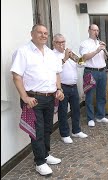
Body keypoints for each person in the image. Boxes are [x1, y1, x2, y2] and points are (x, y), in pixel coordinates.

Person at [10, 24, 64, 176]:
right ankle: (39, 161)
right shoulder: (23, 51)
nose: (43, 35)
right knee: (37, 131)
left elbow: (57, 74)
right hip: (33, 99)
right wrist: (24, 97)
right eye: (39, 32)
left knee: (47, 128)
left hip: (50, 97)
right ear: (31, 34)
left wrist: (59, 89)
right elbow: (16, 76)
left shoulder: (50, 53)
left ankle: (45, 154)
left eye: (46, 33)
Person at [52, 34, 88, 144]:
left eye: (63, 42)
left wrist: (75, 57)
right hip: (62, 87)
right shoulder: (52, 55)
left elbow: (82, 64)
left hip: (73, 86)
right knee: (63, 112)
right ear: (54, 43)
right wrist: (65, 58)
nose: (62, 44)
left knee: (76, 109)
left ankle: (76, 130)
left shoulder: (69, 54)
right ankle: (64, 134)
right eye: (59, 42)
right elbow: (54, 69)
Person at [79, 24, 108, 127]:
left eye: (97, 30)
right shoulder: (84, 44)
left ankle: (100, 116)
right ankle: (90, 118)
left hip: (102, 71)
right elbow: (84, 57)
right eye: (94, 30)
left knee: (101, 95)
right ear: (89, 30)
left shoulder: (100, 43)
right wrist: (97, 50)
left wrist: (104, 50)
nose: (96, 32)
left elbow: (106, 58)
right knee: (89, 96)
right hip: (90, 71)